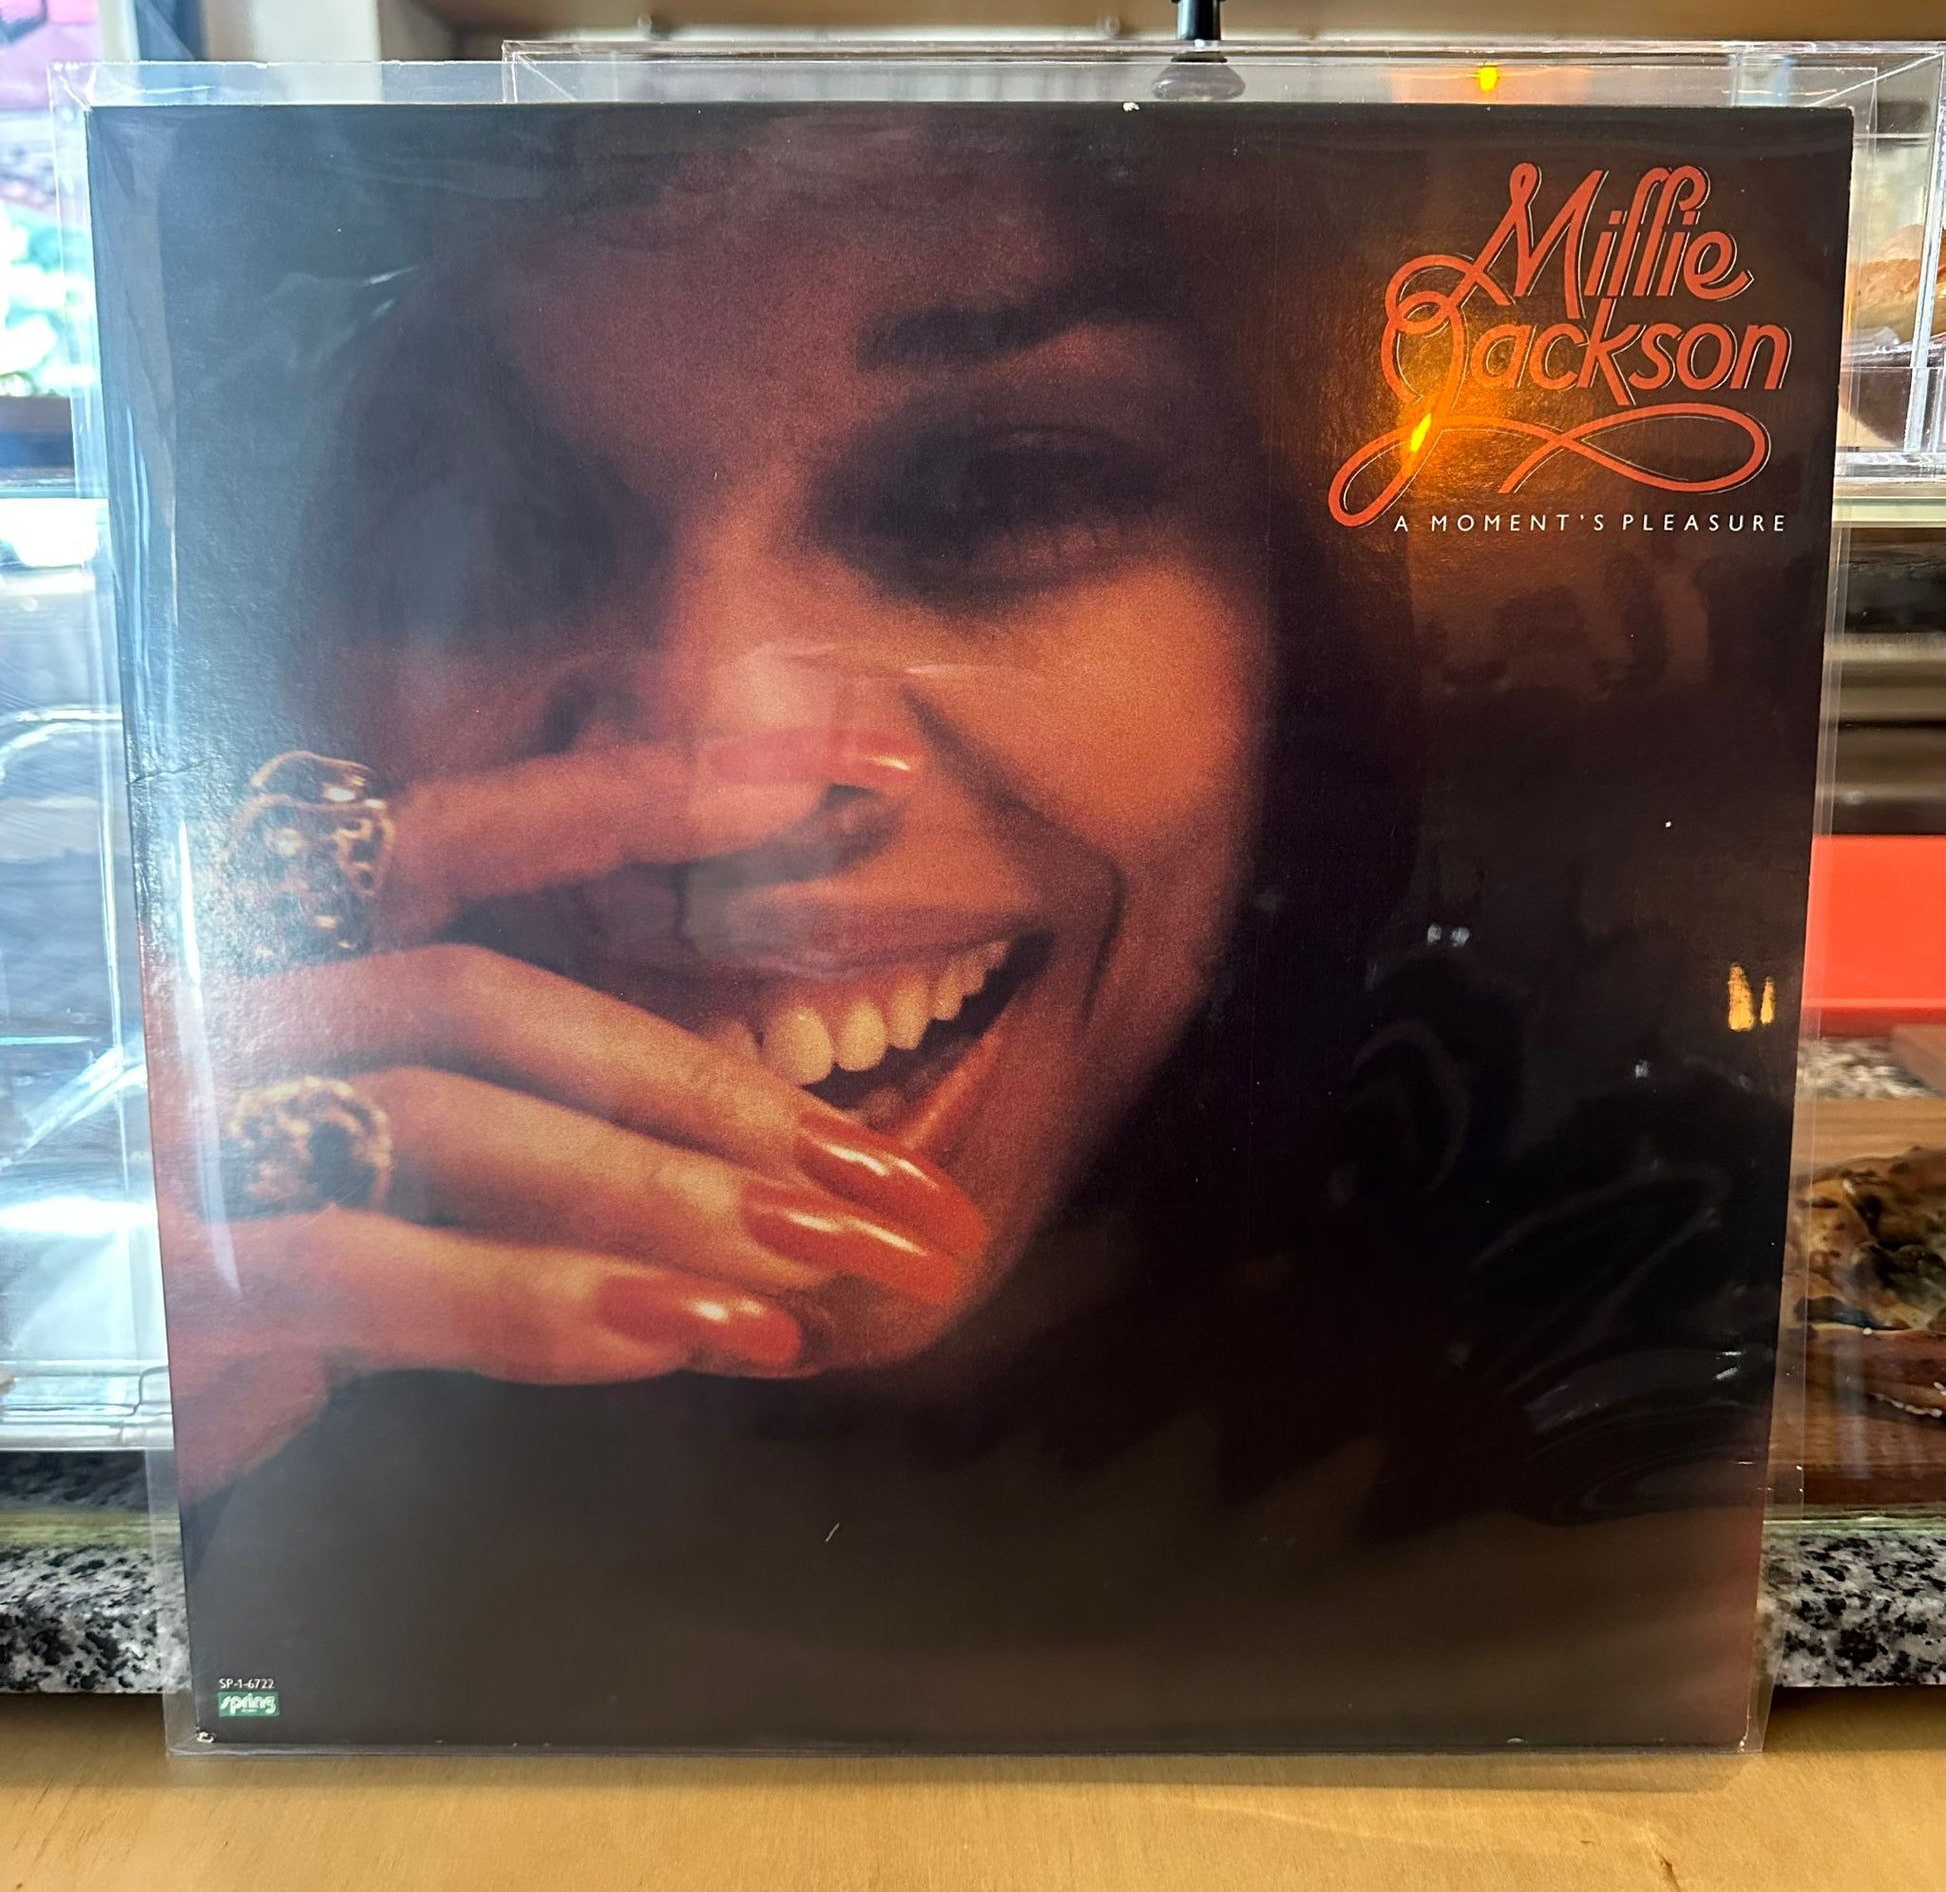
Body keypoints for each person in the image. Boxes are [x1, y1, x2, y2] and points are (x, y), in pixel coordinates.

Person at [137, 110, 1779, 1748]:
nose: (731, 794)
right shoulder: (248, 1386)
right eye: (509, 523)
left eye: (998, 493)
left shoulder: (1631, 1428)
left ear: (1312, 628)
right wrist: (156, 1408)